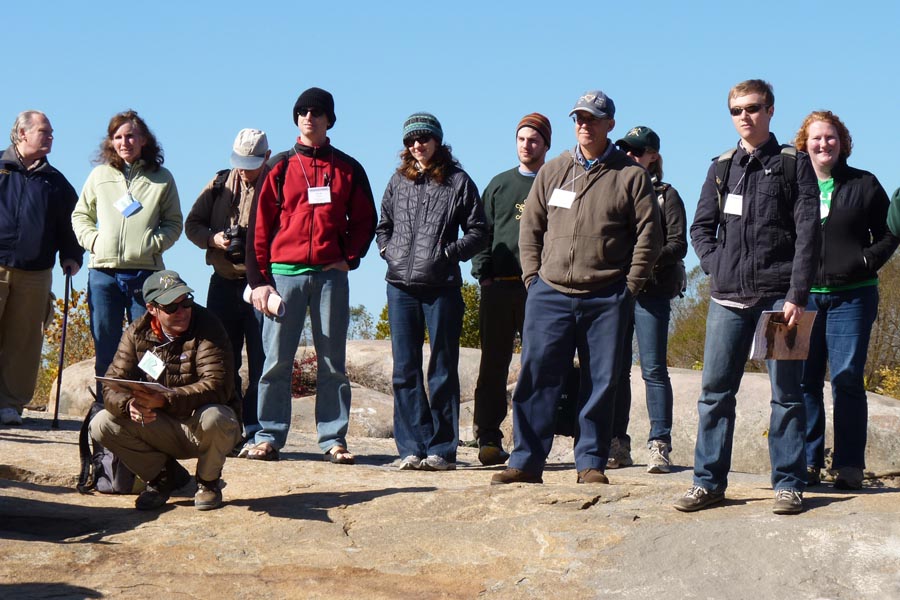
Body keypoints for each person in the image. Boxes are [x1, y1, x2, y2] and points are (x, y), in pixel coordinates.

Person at [491, 90, 662, 486]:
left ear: (610, 125)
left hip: (606, 296)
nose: (584, 124)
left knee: (600, 382)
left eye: (592, 118)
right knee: (535, 376)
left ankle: (590, 463)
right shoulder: (554, 170)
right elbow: (530, 228)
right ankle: (526, 461)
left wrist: (630, 287)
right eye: (579, 118)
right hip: (549, 293)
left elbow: (648, 238)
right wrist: (533, 279)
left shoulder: (630, 176)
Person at [676, 79, 820, 515]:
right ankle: (708, 483)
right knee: (715, 393)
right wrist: (717, 266)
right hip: (727, 300)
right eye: (737, 110)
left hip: (781, 300)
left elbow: (808, 235)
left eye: (753, 108)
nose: (745, 117)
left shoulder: (796, 165)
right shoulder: (721, 168)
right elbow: (700, 229)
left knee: (787, 396)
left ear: (770, 111)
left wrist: (797, 292)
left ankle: (789, 484)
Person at [245, 87, 377, 463]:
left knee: (332, 360)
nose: (309, 117)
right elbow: (259, 227)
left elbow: (366, 220)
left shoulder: (348, 167)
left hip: (329, 277)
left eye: (317, 112)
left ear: (329, 119)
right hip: (284, 275)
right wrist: (260, 282)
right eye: (302, 111)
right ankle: (269, 435)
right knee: (275, 360)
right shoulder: (280, 167)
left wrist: (349, 257)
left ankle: (333, 439)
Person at [792, 111, 898, 490]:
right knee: (804, 383)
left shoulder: (864, 184)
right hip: (802, 301)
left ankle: (850, 464)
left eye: (831, 138)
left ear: (843, 142)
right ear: (804, 143)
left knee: (846, 380)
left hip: (852, 298)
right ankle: (807, 461)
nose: (824, 144)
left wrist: (868, 259)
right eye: (817, 138)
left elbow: (890, 231)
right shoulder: (792, 186)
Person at [376, 112, 488, 471]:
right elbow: (384, 226)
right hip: (400, 288)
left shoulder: (458, 181)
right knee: (404, 370)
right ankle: (411, 447)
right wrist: (388, 253)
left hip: (442, 288)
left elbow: (478, 231)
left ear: (438, 140)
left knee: (441, 369)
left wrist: (447, 254)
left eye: (423, 138)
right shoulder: (398, 180)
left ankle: (442, 449)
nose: (417, 145)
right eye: (411, 140)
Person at [89, 270, 240, 511]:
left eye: (186, 302)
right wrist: (130, 405)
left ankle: (208, 483)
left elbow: (218, 386)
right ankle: (164, 478)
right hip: (161, 426)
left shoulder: (209, 325)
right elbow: (112, 384)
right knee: (102, 423)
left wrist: (164, 400)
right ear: (152, 309)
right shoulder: (137, 333)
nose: (182, 311)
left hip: (200, 426)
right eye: (171, 307)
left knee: (217, 416)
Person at [72, 110, 183, 400]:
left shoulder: (162, 178)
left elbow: (174, 222)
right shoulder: (99, 175)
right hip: (103, 274)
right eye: (118, 137)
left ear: (144, 139)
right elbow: (81, 215)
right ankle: (106, 412)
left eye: (131, 135)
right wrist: (94, 241)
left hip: (146, 275)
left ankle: (148, 411)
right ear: (111, 142)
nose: (125, 142)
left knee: (149, 347)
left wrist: (153, 243)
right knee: (106, 347)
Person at [470, 113, 551, 466]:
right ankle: (488, 437)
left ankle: (529, 441)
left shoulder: (556, 182)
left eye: (533, 140)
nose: (526, 145)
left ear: (546, 144)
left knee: (538, 366)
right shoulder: (500, 184)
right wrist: (482, 273)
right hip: (499, 287)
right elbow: (481, 232)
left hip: (542, 290)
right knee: (493, 364)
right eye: (521, 139)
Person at [607, 126, 687, 474]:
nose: (630, 157)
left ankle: (659, 444)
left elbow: (679, 244)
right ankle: (617, 444)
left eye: (637, 152)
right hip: (616, 291)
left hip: (652, 292)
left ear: (652, 156)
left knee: (653, 370)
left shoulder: (666, 194)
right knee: (615, 370)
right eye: (625, 151)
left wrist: (645, 260)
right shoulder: (612, 191)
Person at [186, 129, 270, 446]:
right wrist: (213, 239)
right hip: (222, 282)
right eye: (239, 161)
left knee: (263, 361)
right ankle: (229, 428)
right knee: (223, 359)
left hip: (262, 284)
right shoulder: (220, 182)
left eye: (251, 162)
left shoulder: (277, 184)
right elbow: (192, 224)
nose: (244, 168)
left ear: (266, 156)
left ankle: (259, 430)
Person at [0, 110, 83, 425]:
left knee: (24, 341)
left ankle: (9, 405)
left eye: (51, 133)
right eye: (44, 131)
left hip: (36, 272)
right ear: (22, 133)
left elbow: (71, 223)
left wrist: (72, 255)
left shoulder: (56, 182)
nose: (50, 137)